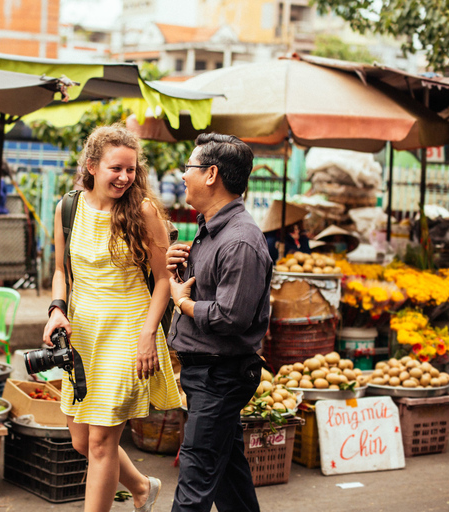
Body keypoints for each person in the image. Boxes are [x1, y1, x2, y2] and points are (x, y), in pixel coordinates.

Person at [42, 124, 181, 512]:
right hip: (83, 333)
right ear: (91, 166)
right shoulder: (68, 207)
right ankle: (141, 487)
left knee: (102, 444)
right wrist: (56, 310)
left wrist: (148, 335)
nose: (124, 177)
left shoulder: (143, 211)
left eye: (131, 170)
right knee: (82, 441)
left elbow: (163, 281)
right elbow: (60, 271)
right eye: (115, 168)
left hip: (129, 330)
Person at [166, 133, 272, 512]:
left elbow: (231, 315)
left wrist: (184, 304)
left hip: (220, 376)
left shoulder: (241, 240)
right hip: (206, 373)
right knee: (229, 476)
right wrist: (178, 269)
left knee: (194, 484)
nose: (183, 175)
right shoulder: (210, 229)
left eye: (189, 168)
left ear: (211, 174)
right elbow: (205, 287)